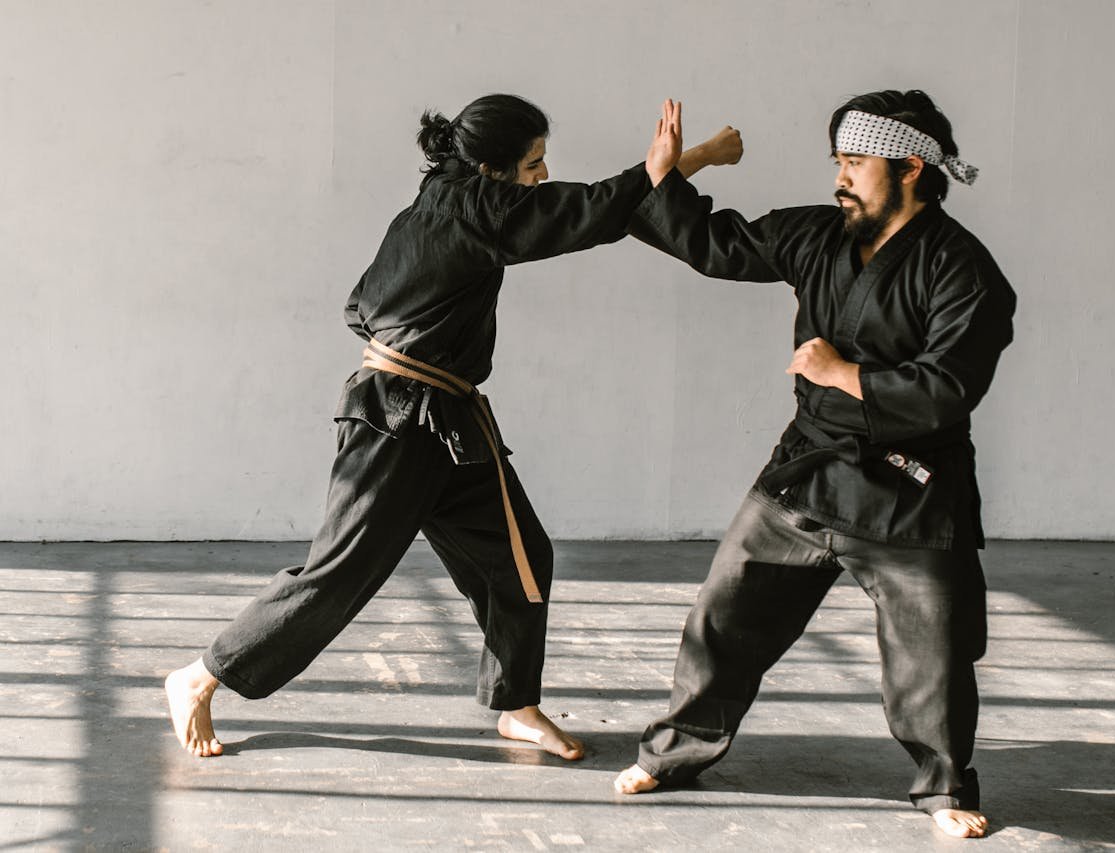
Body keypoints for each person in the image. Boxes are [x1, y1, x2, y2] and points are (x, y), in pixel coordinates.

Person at [165, 96, 740, 761]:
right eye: (533, 162)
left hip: (448, 420)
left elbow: (360, 305)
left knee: (518, 557)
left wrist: (678, 166)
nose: (542, 173)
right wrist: (689, 160)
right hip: (396, 423)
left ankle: (516, 706)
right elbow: (587, 211)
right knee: (339, 572)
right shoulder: (475, 209)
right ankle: (200, 675)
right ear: (493, 169)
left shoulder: (437, 203)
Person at [613, 90, 1015, 839]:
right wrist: (666, 175)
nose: (841, 177)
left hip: (908, 489)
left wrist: (844, 374)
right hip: (808, 469)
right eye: (838, 160)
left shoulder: (962, 269)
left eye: (856, 162)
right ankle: (673, 754)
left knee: (932, 654)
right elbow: (718, 244)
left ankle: (943, 786)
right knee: (724, 616)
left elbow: (950, 388)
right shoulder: (818, 235)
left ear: (911, 168)